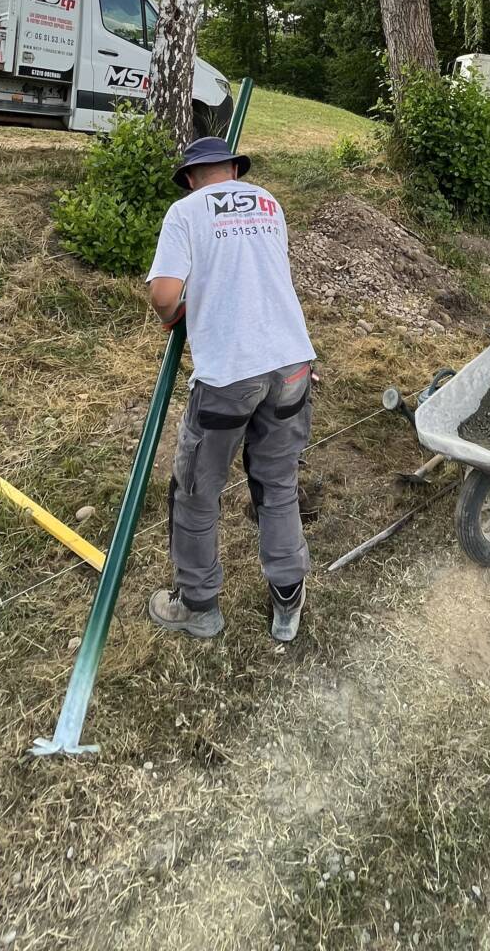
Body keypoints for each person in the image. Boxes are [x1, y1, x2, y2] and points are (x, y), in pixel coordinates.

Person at [145, 136, 316, 643]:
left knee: (196, 492)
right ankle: (287, 602)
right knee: (276, 483)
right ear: (235, 172)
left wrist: (175, 313)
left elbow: (164, 294)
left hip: (230, 375)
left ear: (194, 177)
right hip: (291, 364)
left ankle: (198, 606)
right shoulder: (270, 203)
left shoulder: (185, 211)